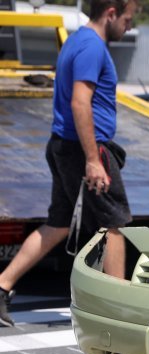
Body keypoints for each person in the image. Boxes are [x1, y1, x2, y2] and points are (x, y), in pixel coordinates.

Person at [0, 0, 139, 327]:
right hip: (85, 149)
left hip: (63, 144)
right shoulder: (92, 47)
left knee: (60, 222)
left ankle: (2, 285)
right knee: (113, 225)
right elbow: (80, 102)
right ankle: (116, 309)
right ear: (111, 13)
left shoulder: (76, 41)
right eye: (128, 19)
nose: (129, 26)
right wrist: (93, 159)